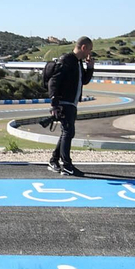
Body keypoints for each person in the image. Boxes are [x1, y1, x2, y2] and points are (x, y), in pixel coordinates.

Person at [46, 37, 95, 176]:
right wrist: (54, 104)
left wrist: (90, 68)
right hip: (64, 103)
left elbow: (83, 81)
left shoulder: (78, 62)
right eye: (90, 49)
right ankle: (66, 165)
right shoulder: (67, 60)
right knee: (68, 132)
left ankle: (54, 160)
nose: (90, 53)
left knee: (66, 132)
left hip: (71, 103)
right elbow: (53, 82)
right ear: (84, 47)